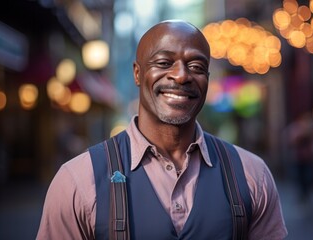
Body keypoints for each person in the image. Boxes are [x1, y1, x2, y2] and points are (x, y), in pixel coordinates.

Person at [37, 20, 288, 240]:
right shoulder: (78, 180)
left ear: (208, 78)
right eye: (164, 62)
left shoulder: (252, 174)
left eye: (197, 67)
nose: (181, 76)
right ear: (138, 73)